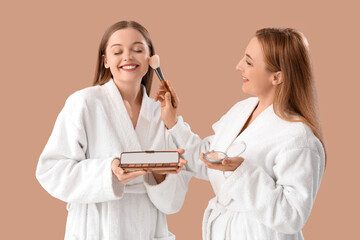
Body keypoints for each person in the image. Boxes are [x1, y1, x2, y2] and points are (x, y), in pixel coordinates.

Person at [156, 28, 326, 240]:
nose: (238, 66)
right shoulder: (242, 110)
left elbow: (292, 216)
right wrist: (172, 122)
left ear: (277, 77)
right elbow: (207, 160)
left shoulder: (299, 138)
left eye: (248, 62)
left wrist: (242, 173)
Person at [36, 20, 191, 240]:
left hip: (147, 227)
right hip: (98, 227)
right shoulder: (83, 102)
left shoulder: (161, 113)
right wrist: (109, 172)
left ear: (150, 59)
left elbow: (173, 203)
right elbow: (50, 171)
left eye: (138, 50)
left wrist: (160, 172)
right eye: (118, 51)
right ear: (106, 61)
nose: (128, 57)